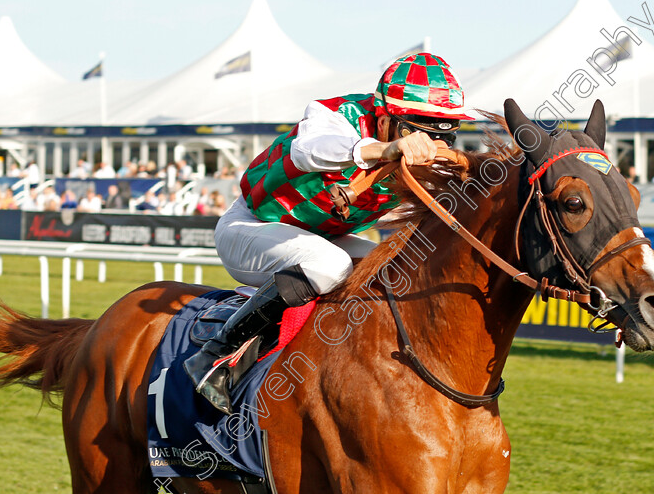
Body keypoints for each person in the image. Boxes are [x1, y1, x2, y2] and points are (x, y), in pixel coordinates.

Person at [183, 52, 472, 414]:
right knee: (331, 264)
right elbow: (307, 153)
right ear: (385, 117)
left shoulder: (416, 160)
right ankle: (216, 356)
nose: (431, 143)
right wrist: (386, 149)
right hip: (251, 227)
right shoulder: (334, 115)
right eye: (422, 129)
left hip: (318, 238)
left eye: (443, 133)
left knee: (398, 270)